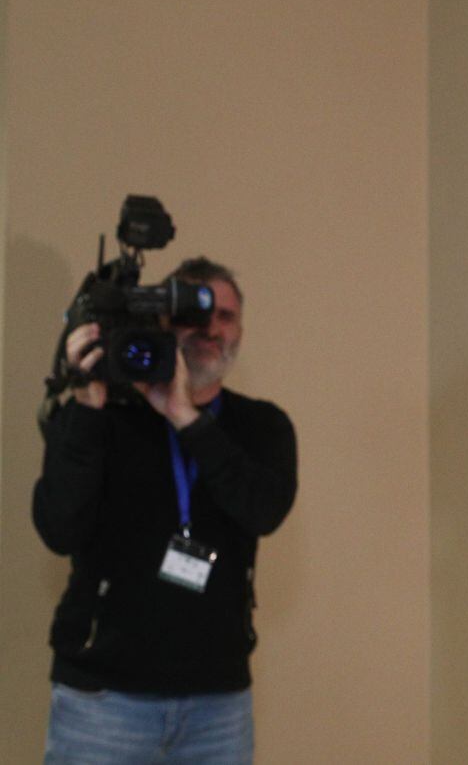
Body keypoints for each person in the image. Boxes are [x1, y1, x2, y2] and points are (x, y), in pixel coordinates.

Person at [33, 257, 297, 764]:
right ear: (161, 324)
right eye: (193, 315)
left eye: (224, 316)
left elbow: (262, 510)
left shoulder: (262, 426)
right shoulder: (99, 416)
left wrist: (183, 415)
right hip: (102, 702)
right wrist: (87, 406)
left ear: (240, 330)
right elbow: (59, 528)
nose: (210, 330)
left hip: (217, 707)